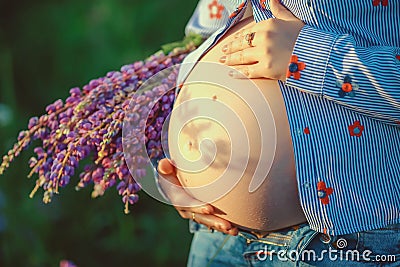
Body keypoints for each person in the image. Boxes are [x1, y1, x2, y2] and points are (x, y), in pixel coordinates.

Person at [157, 0, 400, 266]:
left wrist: (311, 56)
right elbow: (200, 41)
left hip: (342, 241)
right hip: (217, 235)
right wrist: (182, 166)